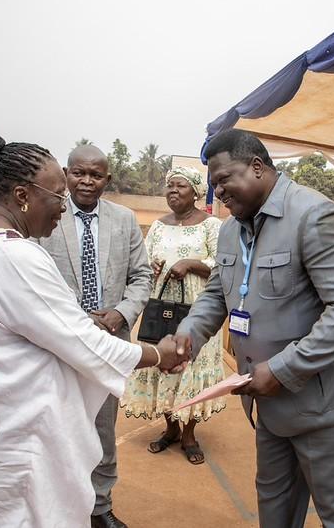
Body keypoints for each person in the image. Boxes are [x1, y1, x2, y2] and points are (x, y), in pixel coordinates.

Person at [0, 134, 187, 527]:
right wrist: (158, 354)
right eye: (58, 194)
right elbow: (84, 342)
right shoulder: (14, 256)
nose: (63, 206)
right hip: (12, 442)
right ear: (22, 195)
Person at [172, 129, 334, 528]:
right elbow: (218, 292)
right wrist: (189, 335)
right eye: (212, 185)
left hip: (327, 403)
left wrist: (283, 369)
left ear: (257, 166)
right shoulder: (232, 229)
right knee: (275, 505)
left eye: (224, 179)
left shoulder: (314, 214)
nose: (217, 193)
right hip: (267, 399)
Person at [35, 144, 153, 528]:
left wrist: (121, 312)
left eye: (96, 175)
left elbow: (141, 276)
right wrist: (72, 320)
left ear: (108, 179)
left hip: (110, 345)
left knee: (102, 430)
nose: (86, 181)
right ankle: (58, 508)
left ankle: (99, 509)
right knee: (55, 427)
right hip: (57, 345)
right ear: (67, 174)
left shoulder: (124, 219)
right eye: (79, 173)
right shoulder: (45, 216)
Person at [121, 167, 226, 466]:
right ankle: (171, 428)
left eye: (180, 186)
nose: (173, 192)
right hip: (162, 307)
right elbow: (142, 259)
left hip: (198, 309)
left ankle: (189, 434)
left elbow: (222, 264)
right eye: (169, 187)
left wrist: (191, 263)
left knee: (189, 367)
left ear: (195, 192)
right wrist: (151, 267)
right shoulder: (157, 226)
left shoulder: (211, 225)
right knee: (162, 365)